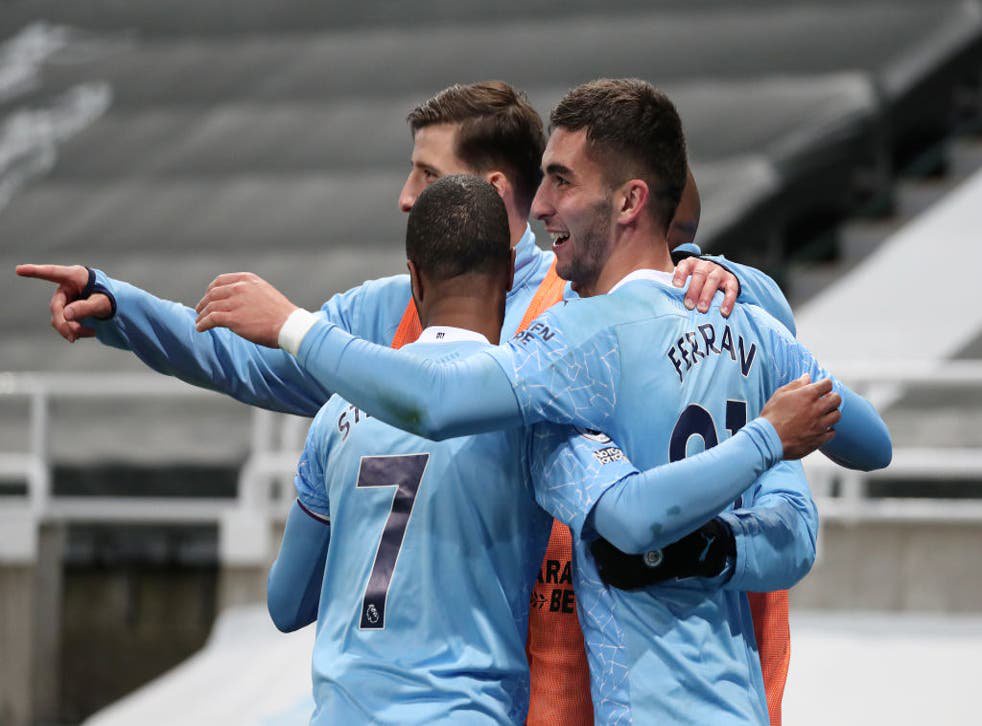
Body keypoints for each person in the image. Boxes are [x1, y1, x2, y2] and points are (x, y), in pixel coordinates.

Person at [16, 81, 798, 724]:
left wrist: (720, 271)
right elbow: (248, 357)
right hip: (508, 692)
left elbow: (288, 600)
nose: (403, 198)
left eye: (424, 175)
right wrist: (121, 309)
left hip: (606, 674)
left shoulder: (590, 299)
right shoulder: (387, 311)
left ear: (485, 191)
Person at [194, 79, 891, 723]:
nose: (541, 206)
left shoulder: (574, 344)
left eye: (561, 180)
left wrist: (293, 327)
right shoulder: (748, 324)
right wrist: (757, 461)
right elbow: (867, 450)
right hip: (740, 703)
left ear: (630, 202)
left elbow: (439, 403)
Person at [272, 173, 833, 724]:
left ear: (413, 277)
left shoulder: (334, 417)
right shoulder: (535, 418)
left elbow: (287, 602)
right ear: (510, 275)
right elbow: (633, 515)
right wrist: (764, 436)